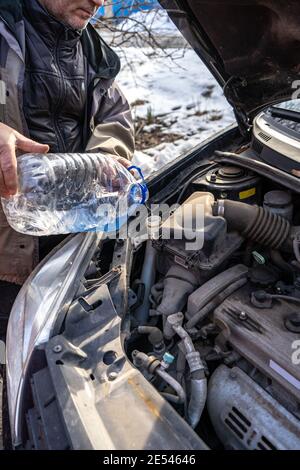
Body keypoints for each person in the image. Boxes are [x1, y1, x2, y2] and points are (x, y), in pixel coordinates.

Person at [0, 0, 135, 321]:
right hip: (7, 252)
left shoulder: (92, 52)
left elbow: (115, 117)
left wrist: (107, 158)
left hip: (72, 240)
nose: (100, 2)